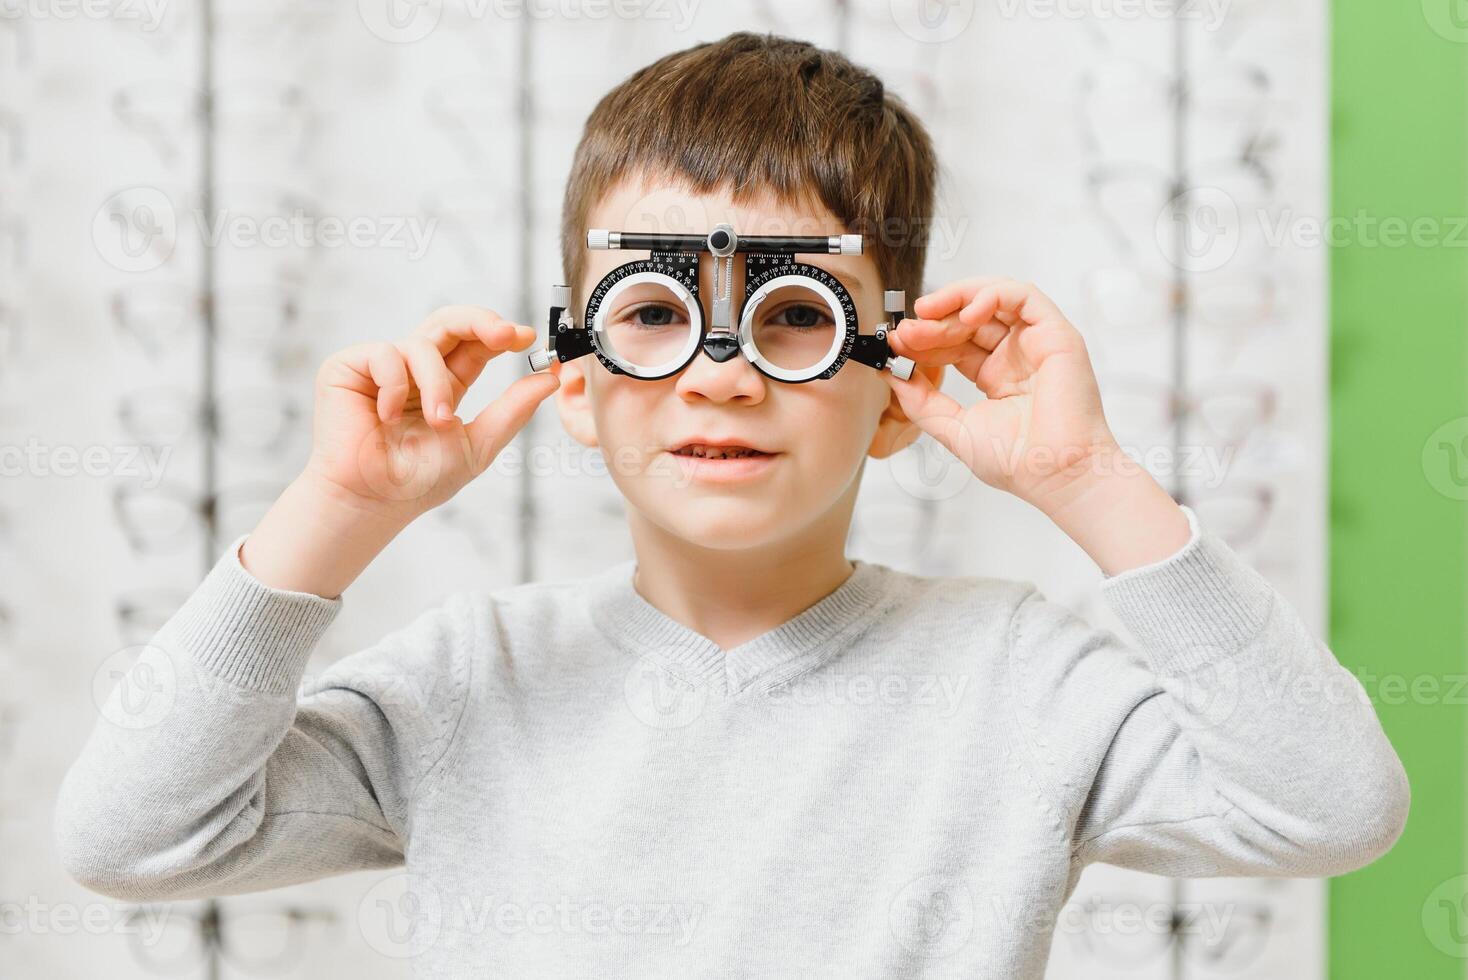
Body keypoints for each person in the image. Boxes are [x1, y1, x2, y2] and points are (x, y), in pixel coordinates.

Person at [54, 31, 1408, 978]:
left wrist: (1091, 482)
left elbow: (1333, 806)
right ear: (575, 382)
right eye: (652, 314)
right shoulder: (475, 680)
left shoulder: (1019, 678)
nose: (720, 373)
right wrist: (333, 516)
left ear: (893, 393)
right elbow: (132, 833)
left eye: (793, 317)